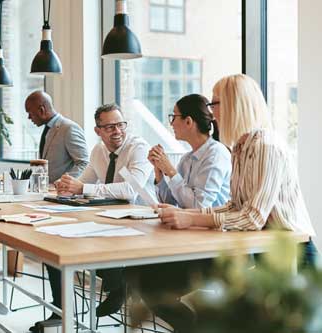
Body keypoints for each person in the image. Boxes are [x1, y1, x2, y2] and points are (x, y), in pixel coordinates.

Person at [128, 74, 317, 332]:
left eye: (214, 103)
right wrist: (187, 215)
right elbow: (233, 206)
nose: (211, 112)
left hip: (291, 253)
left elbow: (252, 217)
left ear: (234, 104)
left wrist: (191, 217)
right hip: (261, 247)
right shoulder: (240, 147)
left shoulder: (265, 146)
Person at [31, 104, 153, 332]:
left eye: (120, 125)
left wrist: (82, 187)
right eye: (109, 127)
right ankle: (64, 308)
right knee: (57, 242)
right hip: (111, 218)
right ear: (98, 131)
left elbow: (130, 191)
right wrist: (67, 185)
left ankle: (120, 285)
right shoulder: (98, 151)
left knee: (92, 243)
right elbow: (84, 181)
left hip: (142, 221)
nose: (116, 131)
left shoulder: (138, 148)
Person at [149, 94, 231, 208]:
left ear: (188, 121)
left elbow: (199, 207)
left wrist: (171, 170)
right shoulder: (186, 159)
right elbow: (171, 204)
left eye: (174, 116)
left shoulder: (216, 154)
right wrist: (159, 172)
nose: (171, 123)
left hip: (214, 225)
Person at [25, 90, 89, 182]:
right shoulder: (48, 129)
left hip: (62, 192)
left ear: (41, 110)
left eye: (30, 113)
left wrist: (63, 182)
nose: (29, 118)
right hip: (47, 190)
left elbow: (84, 163)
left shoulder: (69, 128)